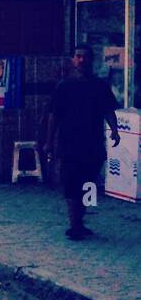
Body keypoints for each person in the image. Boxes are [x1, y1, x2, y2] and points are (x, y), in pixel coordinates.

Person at [44, 44, 121, 240]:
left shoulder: (99, 86)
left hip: (93, 143)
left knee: (90, 183)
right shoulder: (64, 86)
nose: (81, 60)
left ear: (91, 60)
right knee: (71, 183)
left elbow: (108, 110)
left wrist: (115, 130)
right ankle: (74, 224)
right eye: (78, 56)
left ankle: (81, 221)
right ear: (73, 60)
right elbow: (54, 115)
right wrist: (49, 142)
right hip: (69, 143)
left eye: (85, 57)